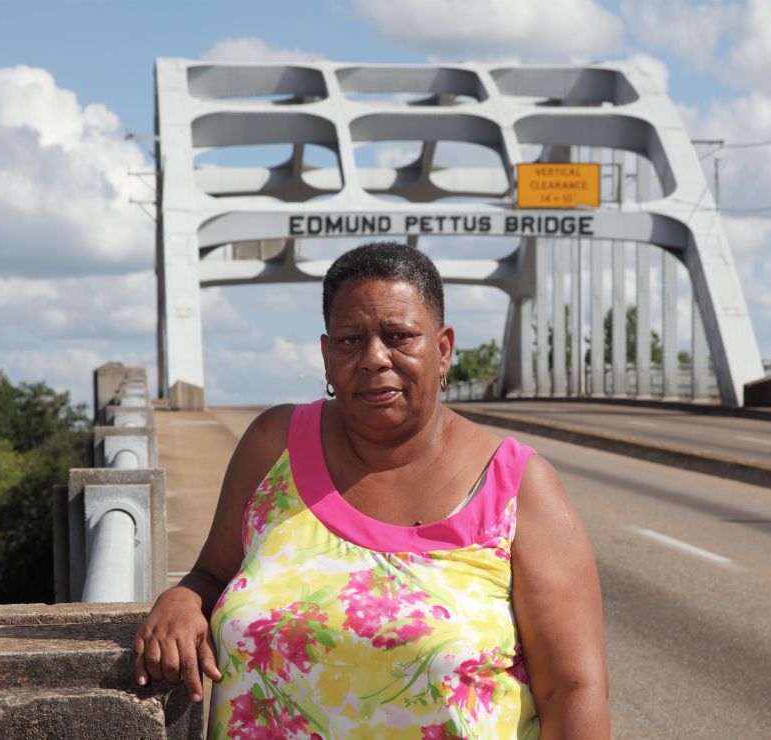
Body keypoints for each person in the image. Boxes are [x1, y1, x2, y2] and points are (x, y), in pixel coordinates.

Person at [133, 242, 609, 738]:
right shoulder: (274, 448)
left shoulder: (517, 487)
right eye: (350, 340)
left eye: (400, 337)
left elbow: (573, 689)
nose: (374, 358)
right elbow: (212, 573)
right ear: (325, 353)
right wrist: (183, 599)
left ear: (443, 349)